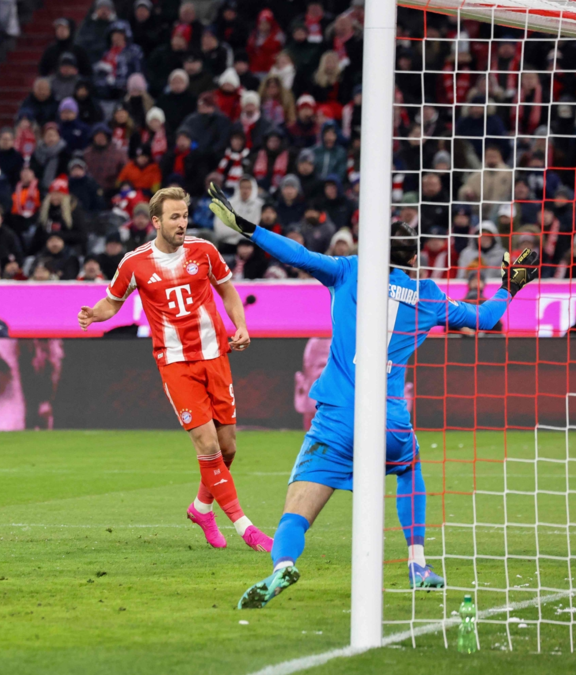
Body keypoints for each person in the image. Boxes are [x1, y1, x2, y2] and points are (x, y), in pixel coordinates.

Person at [205, 183, 540, 606]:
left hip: (337, 418)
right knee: (409, 465)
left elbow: (297, 254)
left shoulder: (350, 270)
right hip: (390, 419)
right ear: (414, 259)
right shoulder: (429, 296)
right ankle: (418, 563)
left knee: (296, 509)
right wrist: (511, 286)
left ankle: (282, 565)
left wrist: (249, 228)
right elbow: (485, 319)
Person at [77, 186, 271, 552]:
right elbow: (111, 303)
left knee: (227, 448)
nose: (182, 224)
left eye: (185, 216)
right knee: (207, 443)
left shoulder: (205, 251)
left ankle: (201, 508)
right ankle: (246, 528)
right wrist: (93, 314)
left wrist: (240, 325)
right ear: (156, 221)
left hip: (215, 356)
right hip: (176, 364)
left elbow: (228, 291)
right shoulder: (135, 263)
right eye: (174, 217)